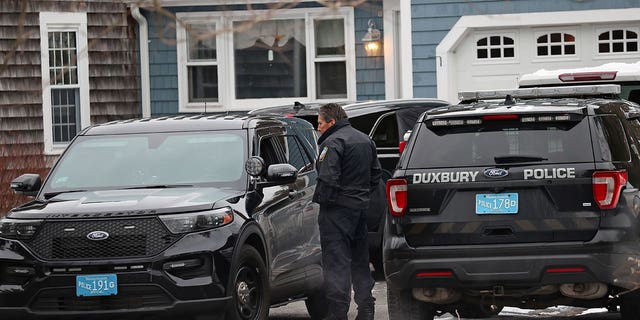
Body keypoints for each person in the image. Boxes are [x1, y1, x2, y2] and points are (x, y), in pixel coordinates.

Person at [313, 103, 382, 320]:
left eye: (320, 123)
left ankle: (338, 312)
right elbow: (375, 175)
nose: (319, 128)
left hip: (336, 212)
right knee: (360, 260)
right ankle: (366, 308)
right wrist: (359, 196)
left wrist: (327, 203)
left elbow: (328, 178)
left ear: (331, 122)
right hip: (359, 209)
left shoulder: (333, 142)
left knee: (336, 263)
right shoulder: (364, 139)